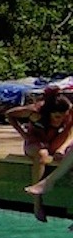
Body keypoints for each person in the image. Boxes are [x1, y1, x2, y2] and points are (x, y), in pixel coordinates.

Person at [15, 89, 73, 221]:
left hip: (53, 142)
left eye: (63, 116)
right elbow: (10, 114)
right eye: (57, 117)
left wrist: (62, 148)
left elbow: (71, 130)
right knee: (42, 154)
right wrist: (23, 134)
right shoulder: (35, 112)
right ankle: (37, 203)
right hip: (35, 142)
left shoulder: (68, 110)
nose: (61, 119)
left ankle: (48, 183)